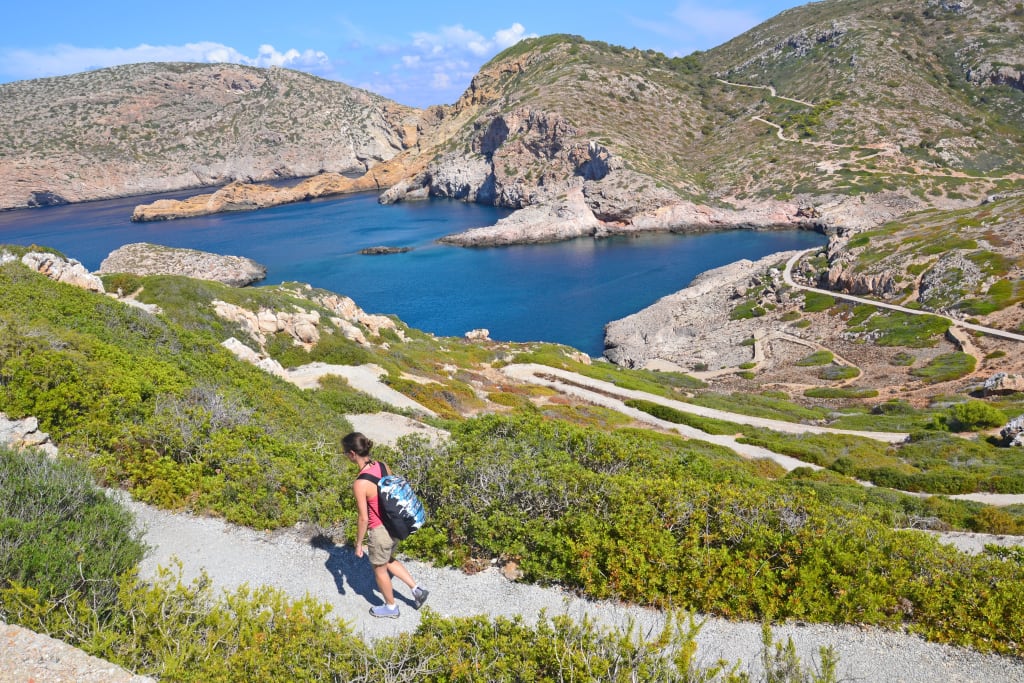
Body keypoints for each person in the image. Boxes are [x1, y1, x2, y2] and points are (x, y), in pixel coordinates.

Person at [342, 431, 429, 618]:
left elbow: (363, 518)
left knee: (379, 570)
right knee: (388, 559)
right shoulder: (382, 466)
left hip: (379, 531)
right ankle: (417, 590)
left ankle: (391, 608)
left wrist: (358, 543)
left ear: (352, 454)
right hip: (394, 525)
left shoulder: (360, 483)